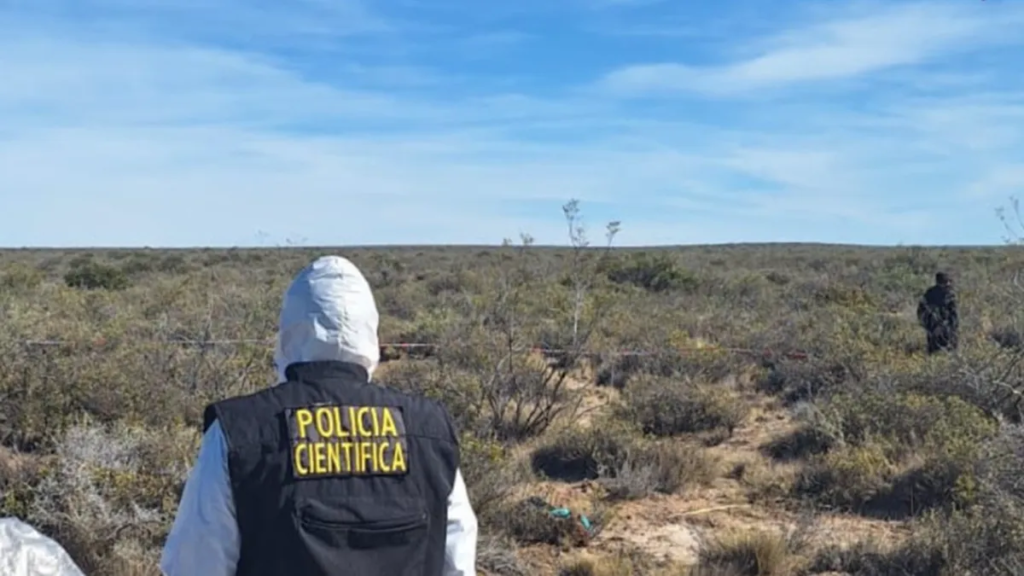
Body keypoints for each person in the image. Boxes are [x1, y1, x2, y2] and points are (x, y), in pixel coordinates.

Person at [160, 255, 477, 576]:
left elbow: (196, 564)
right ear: (370, 334)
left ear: (289, 333)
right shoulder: (431, 431)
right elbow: (458, 562)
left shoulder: (238, 432)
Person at [917, 271, 959, 354]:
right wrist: (931, 326)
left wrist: (951, 327)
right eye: (945, 282)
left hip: (949, 331)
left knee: (951, 353)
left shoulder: (950, 295)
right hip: (934, 331)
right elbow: (922, 312)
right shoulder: (929, 295)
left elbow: (954, 314)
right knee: (934, 353)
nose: (948, 284)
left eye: (949, 281)